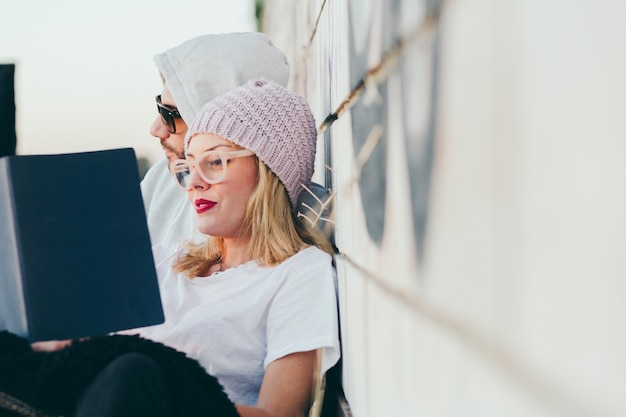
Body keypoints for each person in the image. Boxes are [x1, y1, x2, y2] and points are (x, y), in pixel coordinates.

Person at [30, 79, 340, 417]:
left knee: (134, 371)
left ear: (269, 172)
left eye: (215, 162)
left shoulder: (299, 272)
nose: (193, 183)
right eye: (187, 167)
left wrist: (163, 385)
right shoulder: (162, 262)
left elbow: (281, 414)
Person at [142, 32, 290, 247]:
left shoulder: (291, 219)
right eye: (160, 106)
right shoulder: (161, 180)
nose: (156, 129)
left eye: (171, 113)